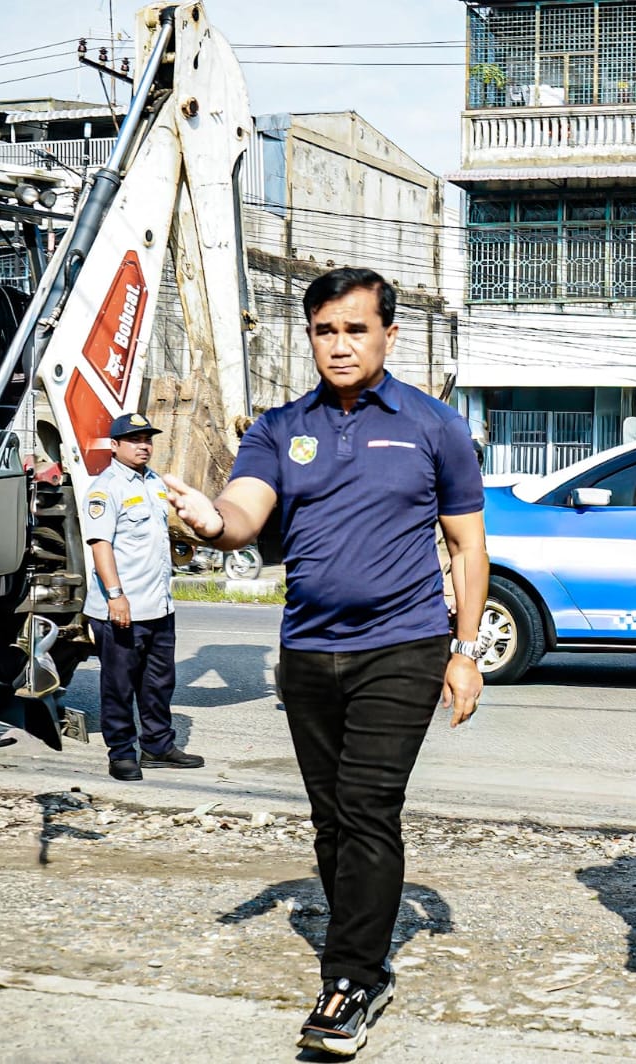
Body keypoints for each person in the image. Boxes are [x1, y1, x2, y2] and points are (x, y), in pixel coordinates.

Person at [161, 267, 487, 1058]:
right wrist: (212, 521)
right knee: (333, 817)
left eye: (354, 329)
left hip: (404, 646)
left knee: (369, 805)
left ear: (389, 334)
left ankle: (353, 978)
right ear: (308, 336)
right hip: (307, 652)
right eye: (323, 331)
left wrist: (466, 652)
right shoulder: (278, 427)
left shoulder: (433, 425)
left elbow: (467, 544)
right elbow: (244, 511)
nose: (338, 345)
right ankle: (357, 937)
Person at [81, 412, 204, 782]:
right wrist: (116, 596)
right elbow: (101, 545)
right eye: (134, 439)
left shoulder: (153, 482)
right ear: (115, 445)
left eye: (147, 439)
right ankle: (121, 753)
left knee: (158, 683)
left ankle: (157, 746)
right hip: (121, 608)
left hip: (159, 606)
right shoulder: (106, 489)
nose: (143, 445)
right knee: (119, 686)